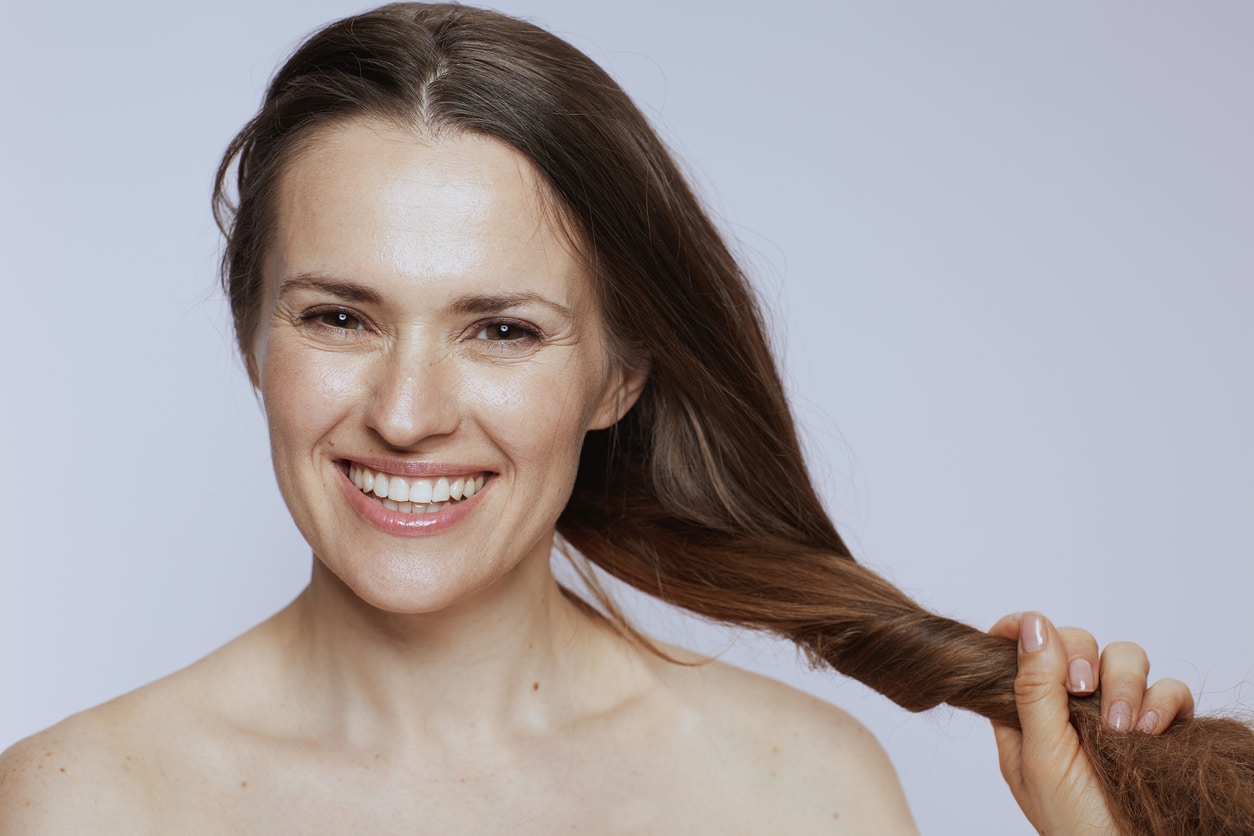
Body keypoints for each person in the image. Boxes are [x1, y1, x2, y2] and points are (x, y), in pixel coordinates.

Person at [1, 4, 1247, 833]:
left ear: (620, 375)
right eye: (340, 317)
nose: (406, 410)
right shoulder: (76, 802)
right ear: (254, 335)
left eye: (503, 328)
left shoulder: (798, 794)